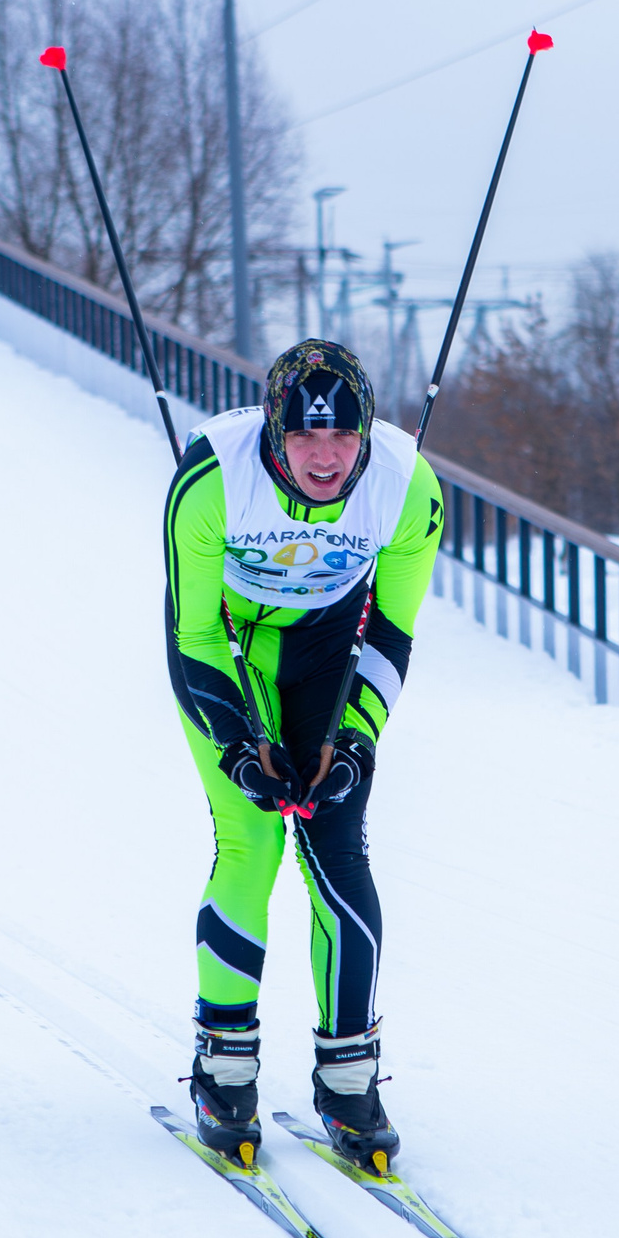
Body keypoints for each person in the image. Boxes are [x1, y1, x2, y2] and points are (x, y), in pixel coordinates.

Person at [165, 340, 443, 1172]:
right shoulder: (212, 477)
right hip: (231, 649)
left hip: (330, 652)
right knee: (252, 841)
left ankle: (349, 1078)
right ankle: (224, 1068)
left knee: (336, 845)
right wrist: (238, 746)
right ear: (272, 432)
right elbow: (193, 632)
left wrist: (354, 738)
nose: (326, 456)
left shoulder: (408, 486)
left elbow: (391, 631)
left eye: (344, 435)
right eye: (305, 435)